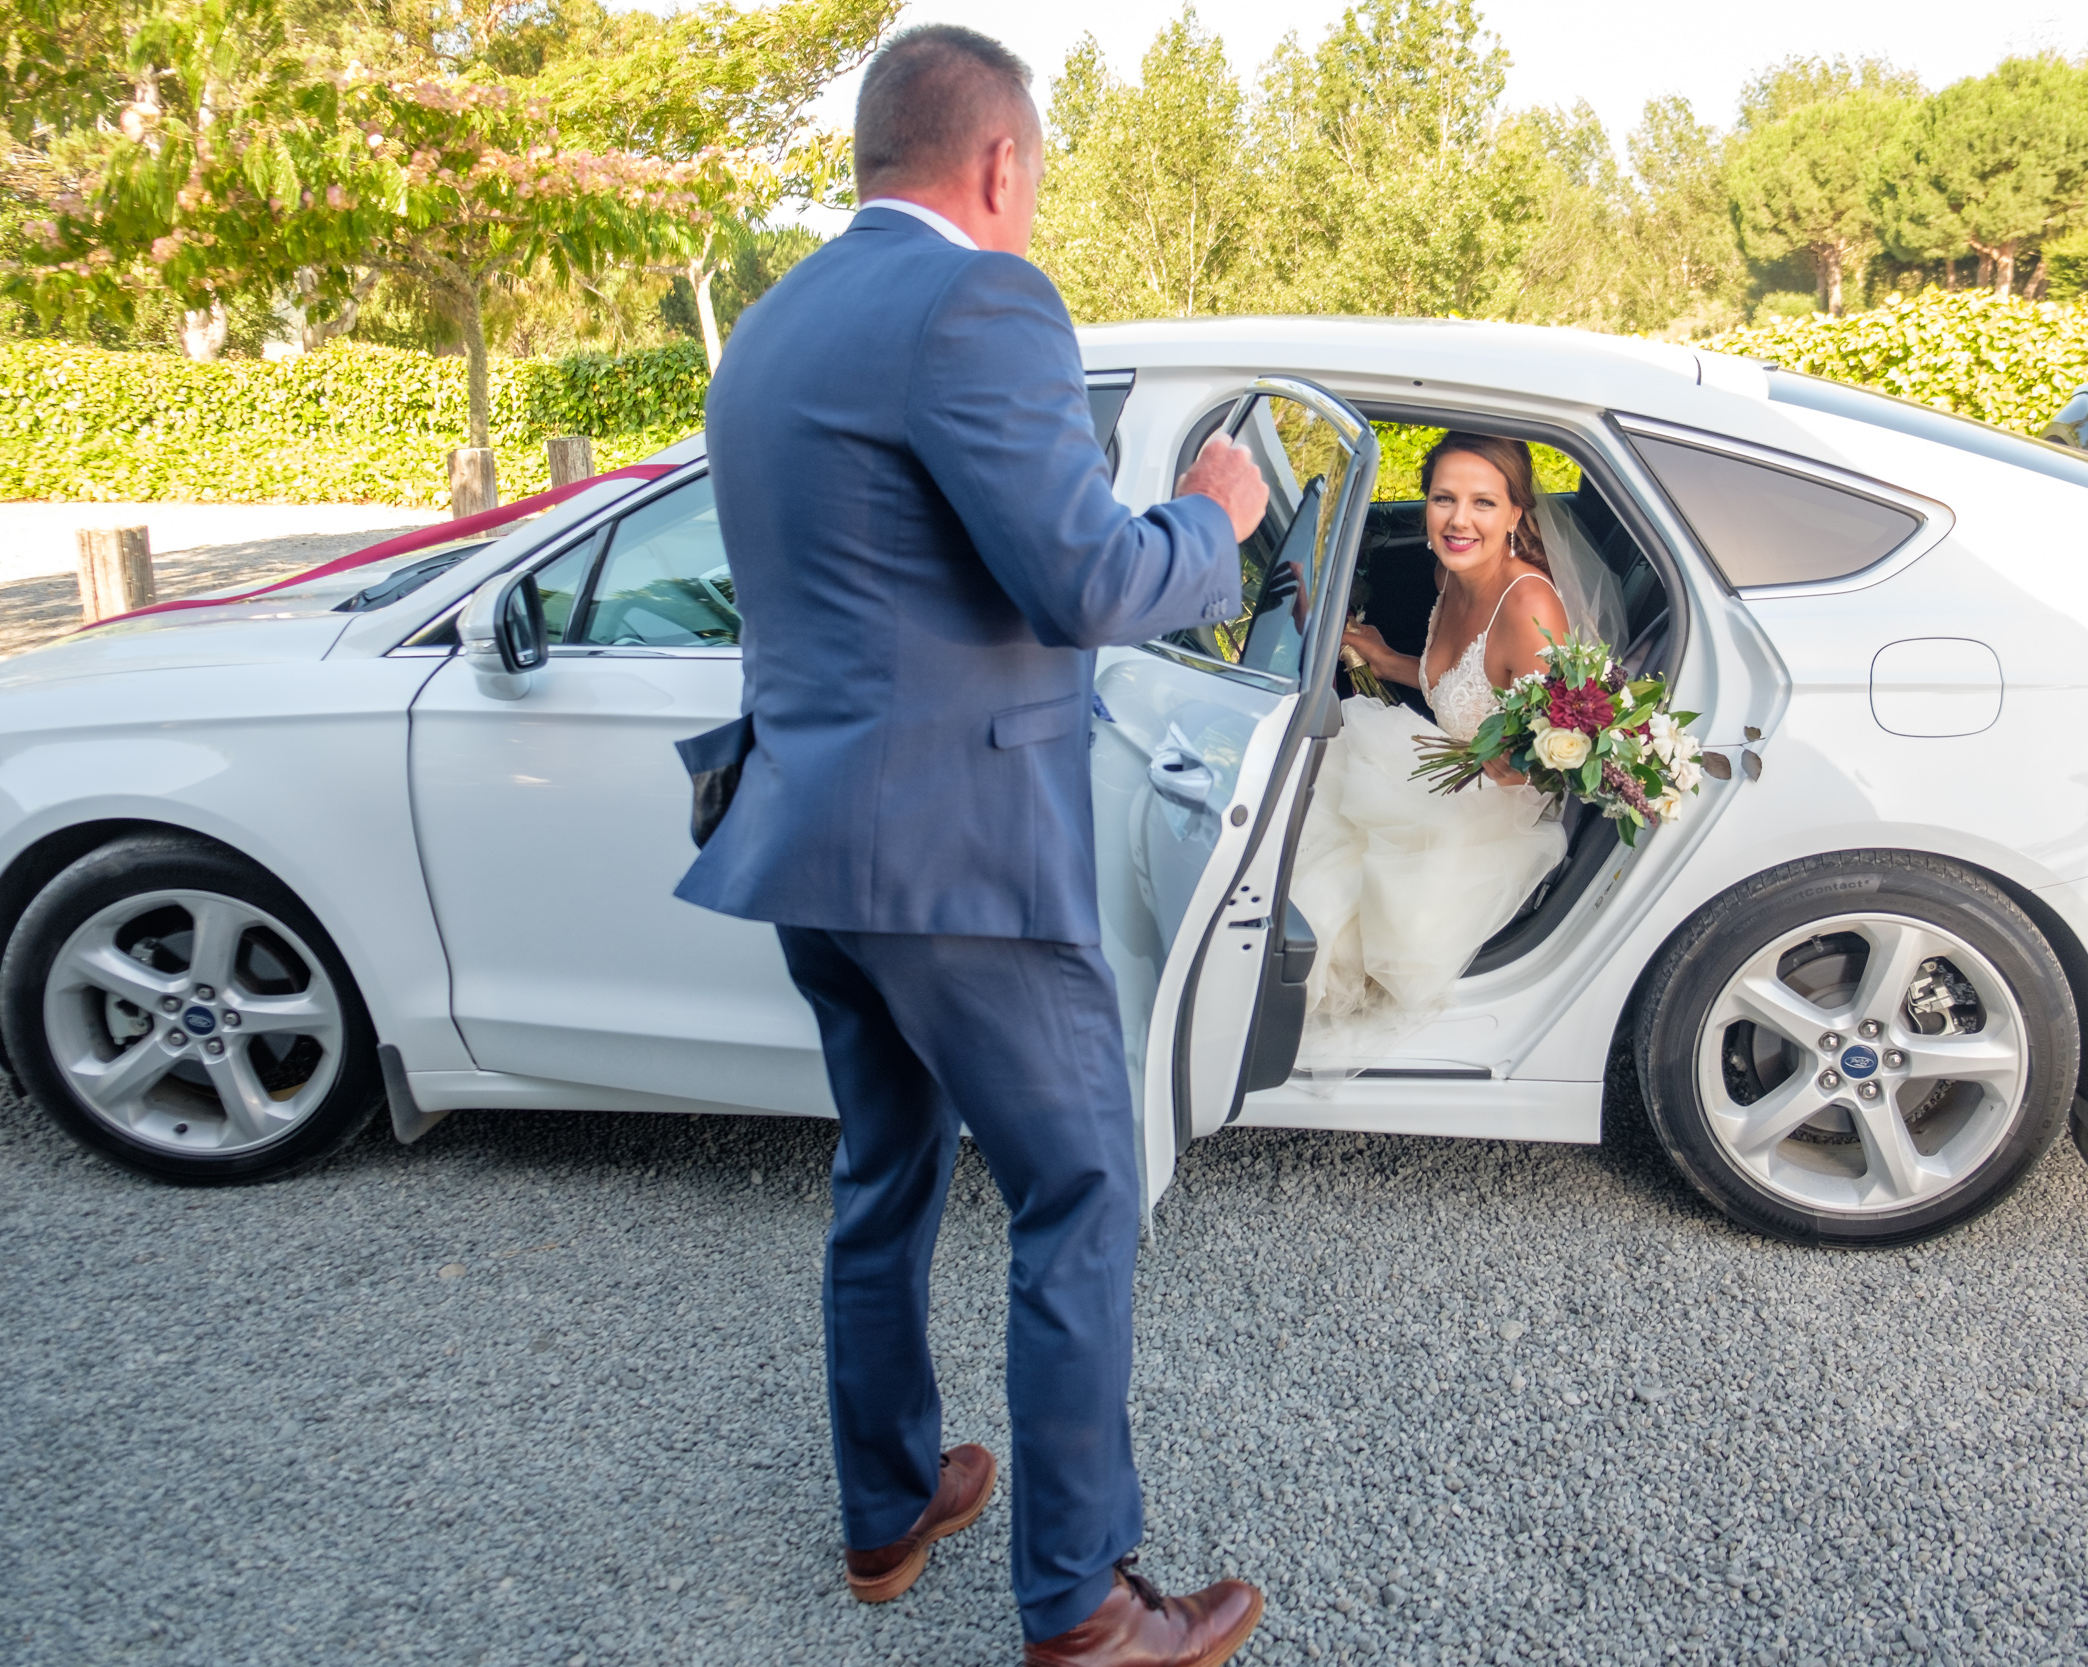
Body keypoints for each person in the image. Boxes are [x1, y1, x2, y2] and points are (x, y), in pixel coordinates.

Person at [675, 26, 1272, 1667]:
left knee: (884, 1173)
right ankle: (1082, 1604)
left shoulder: (778, 322)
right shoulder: (985, 303)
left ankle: (890, 1510)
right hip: (956, 854)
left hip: (805, 829)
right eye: (1039, 177)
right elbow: (1084, 584)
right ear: (999, 164)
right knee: (1080, 1188)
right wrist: (1216, 514)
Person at [1289, 433, 1577, 1066]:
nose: (1459, 519)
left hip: (1493, 814)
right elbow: (1446, 684)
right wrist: (1372, 651)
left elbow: (1560, 755)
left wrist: (1514, 761)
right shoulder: (1453, 572)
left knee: (1329, 878)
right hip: (1436, 765)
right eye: (1444, 498)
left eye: (1483, 502)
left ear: (1515, 515)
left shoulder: (1528, 605)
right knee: (1302, 793)